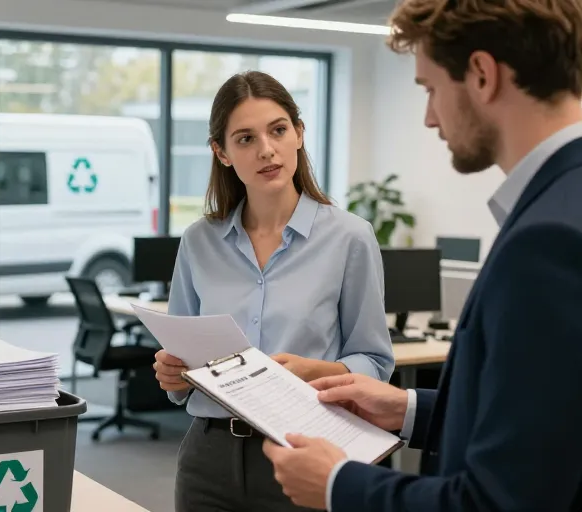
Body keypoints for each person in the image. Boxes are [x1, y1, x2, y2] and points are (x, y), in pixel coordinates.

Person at [263, 0, 582, 510]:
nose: (430, 118)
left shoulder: (546, 242)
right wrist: (408, 407)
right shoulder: (564, 202)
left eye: (431, 90)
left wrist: (335, 483)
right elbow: (550, 423)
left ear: (481, 74)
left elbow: (500, 502)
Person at [151, 71, 395, 511]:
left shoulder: (350, 238)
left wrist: (315, 371)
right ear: (221, 153)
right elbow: (181, 367)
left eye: (278, 130)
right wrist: (172, 373)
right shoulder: (198, 241)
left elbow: (375, 362)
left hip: (303, 449)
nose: (266, 149)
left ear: (298, 134)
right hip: (208, 458)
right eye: (244, 139)